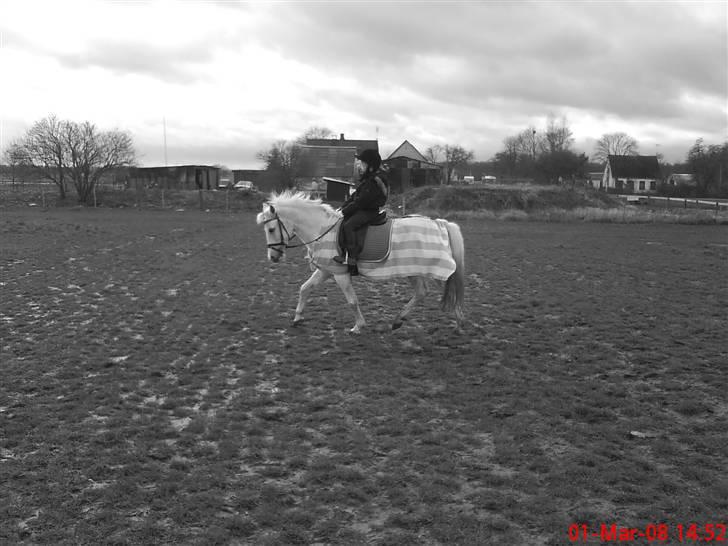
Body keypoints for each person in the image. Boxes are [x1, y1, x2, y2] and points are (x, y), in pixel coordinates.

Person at [334, 149, 389, 274]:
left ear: (371, 165)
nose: (360, 166)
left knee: (349, 225)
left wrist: (346, 211)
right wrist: (343, 207)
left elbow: (361, 202)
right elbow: (355, 197)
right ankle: (343, 253)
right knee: (344, 222)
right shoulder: (368, 179)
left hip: (370, 211)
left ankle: (352, 260)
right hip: (364, 209)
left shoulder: (375, 181)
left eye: (363, 164)